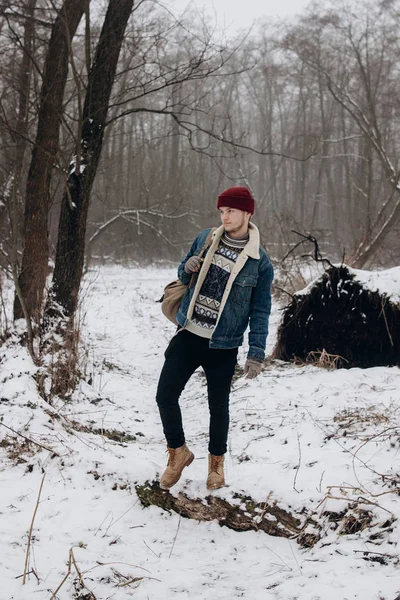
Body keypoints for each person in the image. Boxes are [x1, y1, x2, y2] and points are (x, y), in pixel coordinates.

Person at [156, 186, 274, 491]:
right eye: (222, 211)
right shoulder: (206, 238)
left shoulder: (260, 262)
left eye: (231, 211)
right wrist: (188, 267)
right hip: (189, 333)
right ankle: (178, 453)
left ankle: (216, 466)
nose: (225, 216)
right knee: (165, 396)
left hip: (223, 345)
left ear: (247, 213)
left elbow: (261, 310)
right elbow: (183, 273)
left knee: (218, 407)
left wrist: (256, 352)